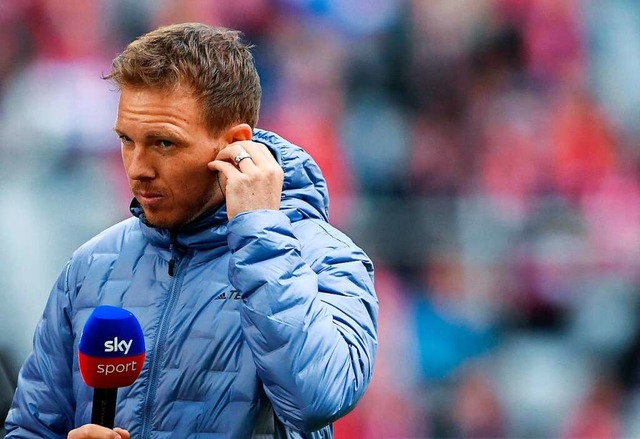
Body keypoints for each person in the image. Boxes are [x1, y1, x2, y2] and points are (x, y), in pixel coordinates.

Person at [4, 23, 378, 438]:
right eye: (127, 140)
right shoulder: (92, 264)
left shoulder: (323, 256)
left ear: (236, 144)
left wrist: (260, 234)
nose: (137, 168)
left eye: (164, 143)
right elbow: (30, 427)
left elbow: (318, 399)